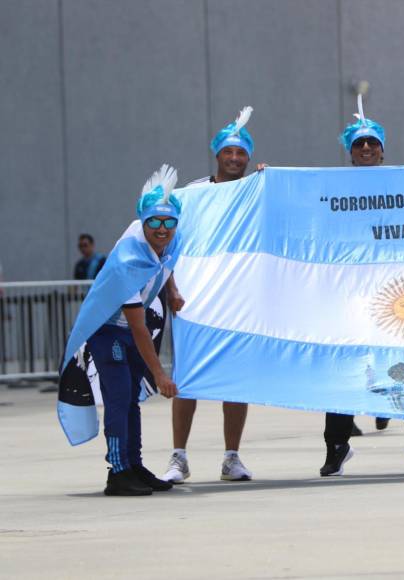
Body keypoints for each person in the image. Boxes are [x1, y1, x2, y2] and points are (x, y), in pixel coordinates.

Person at [319, 95, 404, 477]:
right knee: (345, 371)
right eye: (360, 144)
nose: (367, 148)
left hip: (396, 298)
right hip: (351, 297)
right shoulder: (332, 187)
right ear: (350, 152)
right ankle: (336, 447)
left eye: (373, 143)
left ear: (383, 151)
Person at [60, 165, 184, 495]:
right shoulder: (128, 260)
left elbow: (166, 260)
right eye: (154, 222)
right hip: (108, 330)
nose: (162, 229)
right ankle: (117, 472)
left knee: (131, 399)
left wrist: (171, 291)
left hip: (129, 328)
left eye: (168, 222)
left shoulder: (168, 237)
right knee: (118, 397)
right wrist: (159, 374)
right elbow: (138, 327)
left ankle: (134, 465)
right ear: (142, 223)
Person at [162, 106, 262, 484]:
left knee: (235, 379)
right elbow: (168, 243)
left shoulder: (256, 192)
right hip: (194, 300)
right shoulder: (192, 195)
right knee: (187, 377)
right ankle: (178, 457)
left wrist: (267, 182)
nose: (235, 158)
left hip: (239, 302)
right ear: (217, 154)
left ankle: (232, 457)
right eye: (228, 152)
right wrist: (172, 287)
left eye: (241, 153)